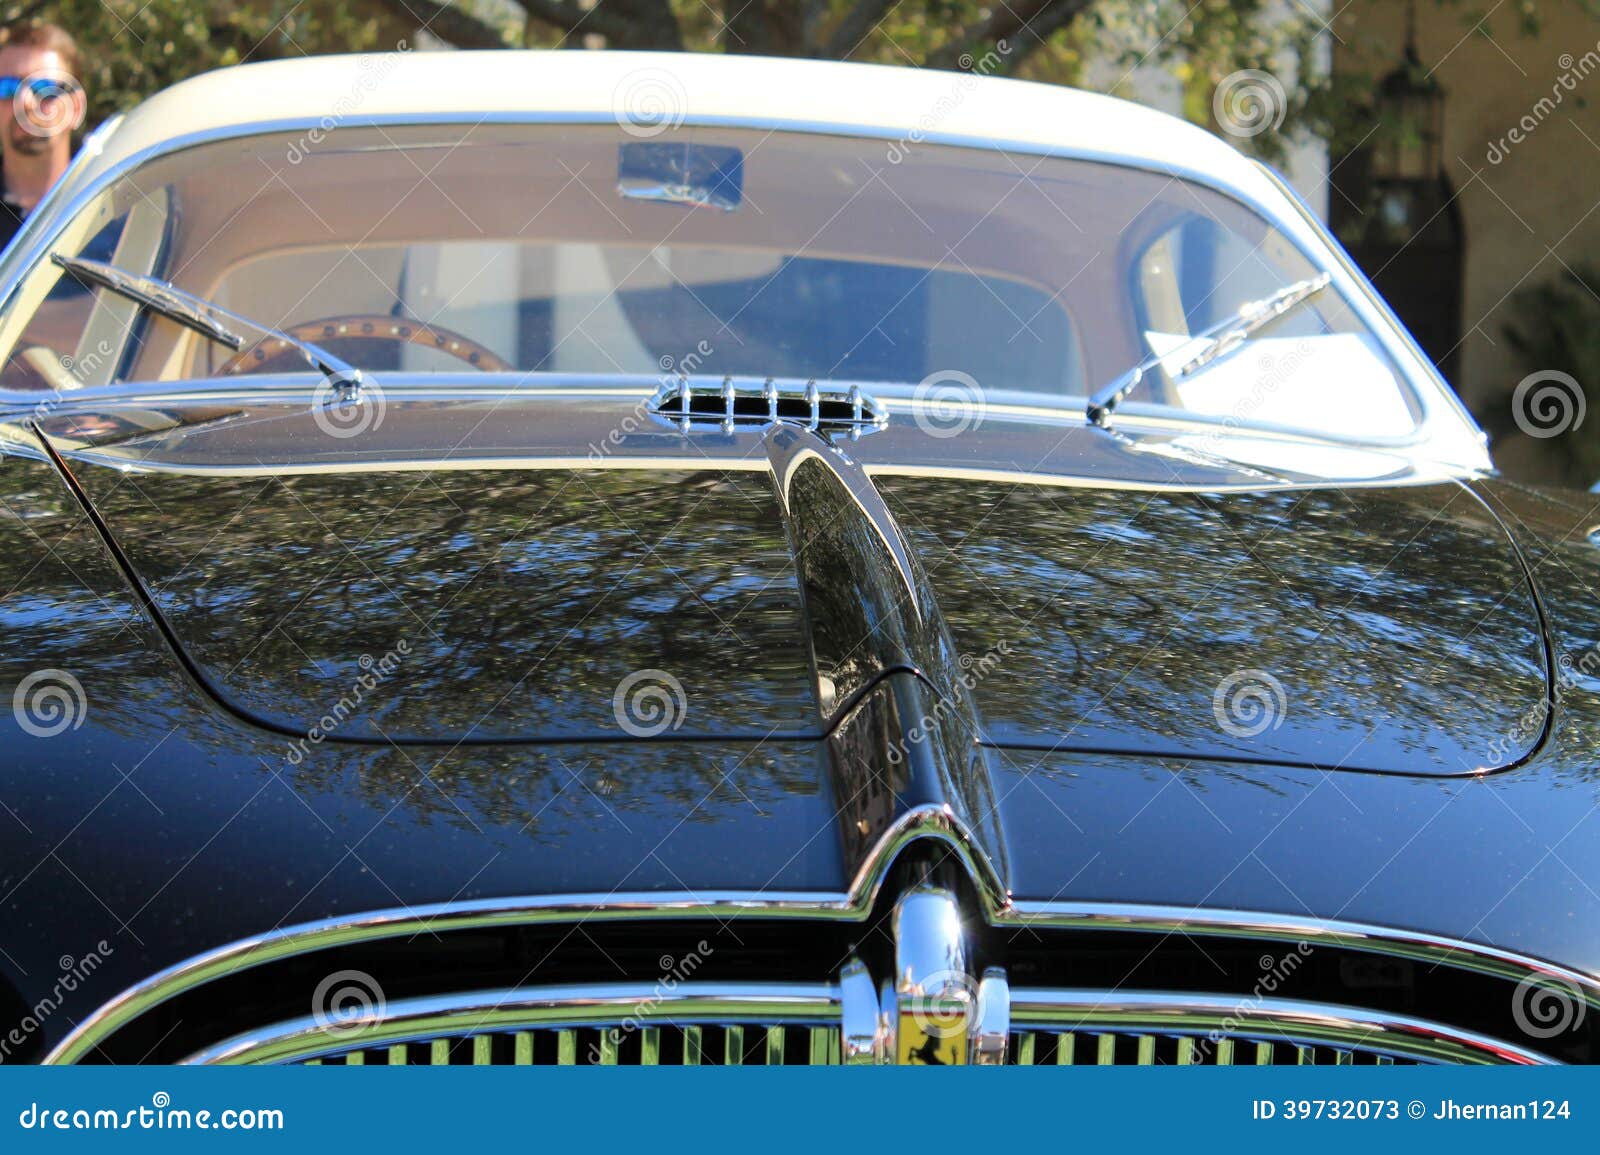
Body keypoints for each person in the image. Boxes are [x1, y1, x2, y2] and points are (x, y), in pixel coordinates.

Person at [0, 22, 85, 251]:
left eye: (44, 88)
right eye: (8, 88)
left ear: (75, 107)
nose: (25, 103)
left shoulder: (110, 205)